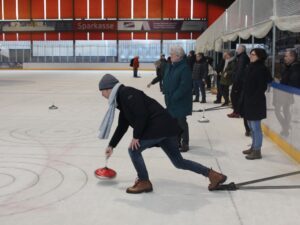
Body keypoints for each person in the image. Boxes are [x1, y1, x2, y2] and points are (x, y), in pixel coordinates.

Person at [98, 74, 227, 193]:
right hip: (166, 128)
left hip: (159, 127)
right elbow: (122, 125)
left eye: (102, 91)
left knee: (133, 150)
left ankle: (144, 181)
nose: (102, 95)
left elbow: (141, 114)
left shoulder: (127, 93)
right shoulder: (122, 99)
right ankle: (213, 175)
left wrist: (136, 136)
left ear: (109, 89)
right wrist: (111, 146)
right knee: (179, 162)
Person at [239, 48, 272, 160]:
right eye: (251, 54)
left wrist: (253, 99)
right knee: (250, 127)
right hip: (248, 101)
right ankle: (253, 146)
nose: (251, 56)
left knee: (256, 127)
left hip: (256, 102)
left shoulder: (261, 69)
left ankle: (257, 150)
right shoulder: (250, 67)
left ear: (259, 56)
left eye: (253, 55)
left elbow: (261, 87)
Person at [163, 46, 193, 152]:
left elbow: (184, 86)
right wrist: (165, 91)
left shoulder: (184, 68)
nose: (170, 56)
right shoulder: (170, 66)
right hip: (170, 100)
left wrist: (175, 96)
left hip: (180, 101)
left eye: (172, 54)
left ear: (179, 56)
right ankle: (176, 140)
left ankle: (185, 143)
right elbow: (166, 80)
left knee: (181, 122)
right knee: (173, 122)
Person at [228, 45, 249, 118]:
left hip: (239, 81)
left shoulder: (242, 58)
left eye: (238, 49)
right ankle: (237, 111)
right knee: (236, 96)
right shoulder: (240, 57)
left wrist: (236, 80)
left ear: (242, 50)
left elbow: (240, 70)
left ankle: (237, 112)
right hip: (239, 80)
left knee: (234, 96)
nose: (237, 50)